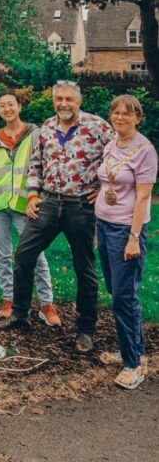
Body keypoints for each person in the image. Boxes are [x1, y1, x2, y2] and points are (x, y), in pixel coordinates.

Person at [0, 80, 112, 352]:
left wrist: (105, 187)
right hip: (48, 202)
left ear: (79, 101)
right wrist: (33, 195)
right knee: (24, 256)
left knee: (84, 269)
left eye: (69, 99)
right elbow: (35, 164)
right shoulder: (46, 128)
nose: (63, 104)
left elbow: (120, 155)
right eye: (58, 98)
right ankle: (20, 315)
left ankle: (86, 330)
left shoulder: (97, 126)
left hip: (80, 207)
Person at [95, 95, 157, 389]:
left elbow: (143, 197)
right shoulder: (111, 144)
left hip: (125, 230)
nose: (120, 118)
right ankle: (128, 349)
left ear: (138, 118)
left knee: (124, 296)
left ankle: (135, 364)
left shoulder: (145, 151)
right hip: (105, 226)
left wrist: (133, 238)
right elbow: (106, 182)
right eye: (115, 112)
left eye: (126, 114)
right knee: (115, 290)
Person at [0, 90, 59, 324]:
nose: (7, 109)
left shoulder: (34, 134)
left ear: (20, 106)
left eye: (11, 104)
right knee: (3, 254)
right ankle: (8, 299)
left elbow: (45, 166)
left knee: (35, 255)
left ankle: (47, 303)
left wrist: (38, 197)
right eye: (2, 106)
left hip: (26, 205)